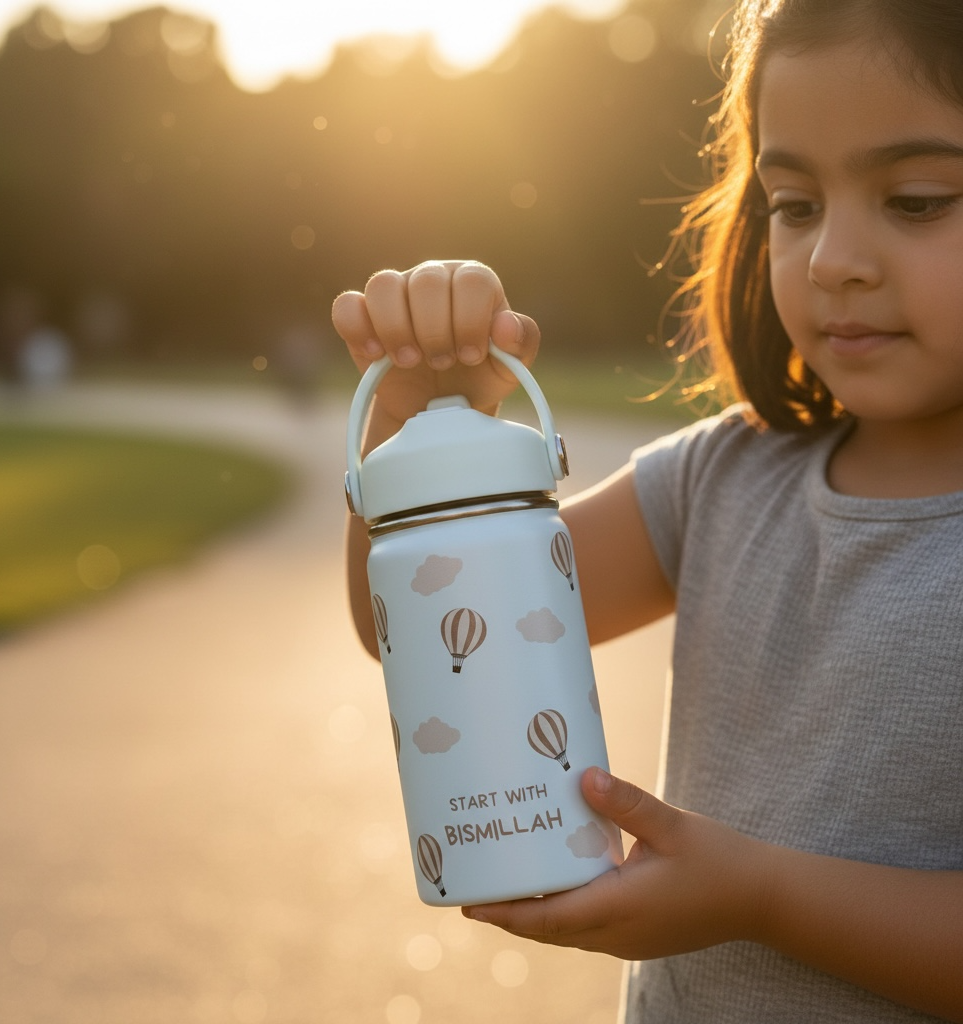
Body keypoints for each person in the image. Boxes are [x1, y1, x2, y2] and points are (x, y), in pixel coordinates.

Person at [331, 0, 963, 1020]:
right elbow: (401, 625)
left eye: (919, 200)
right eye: (794, 204)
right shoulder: (719, 480)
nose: (830, 257)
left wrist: (762, 897)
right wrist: (415, 416)